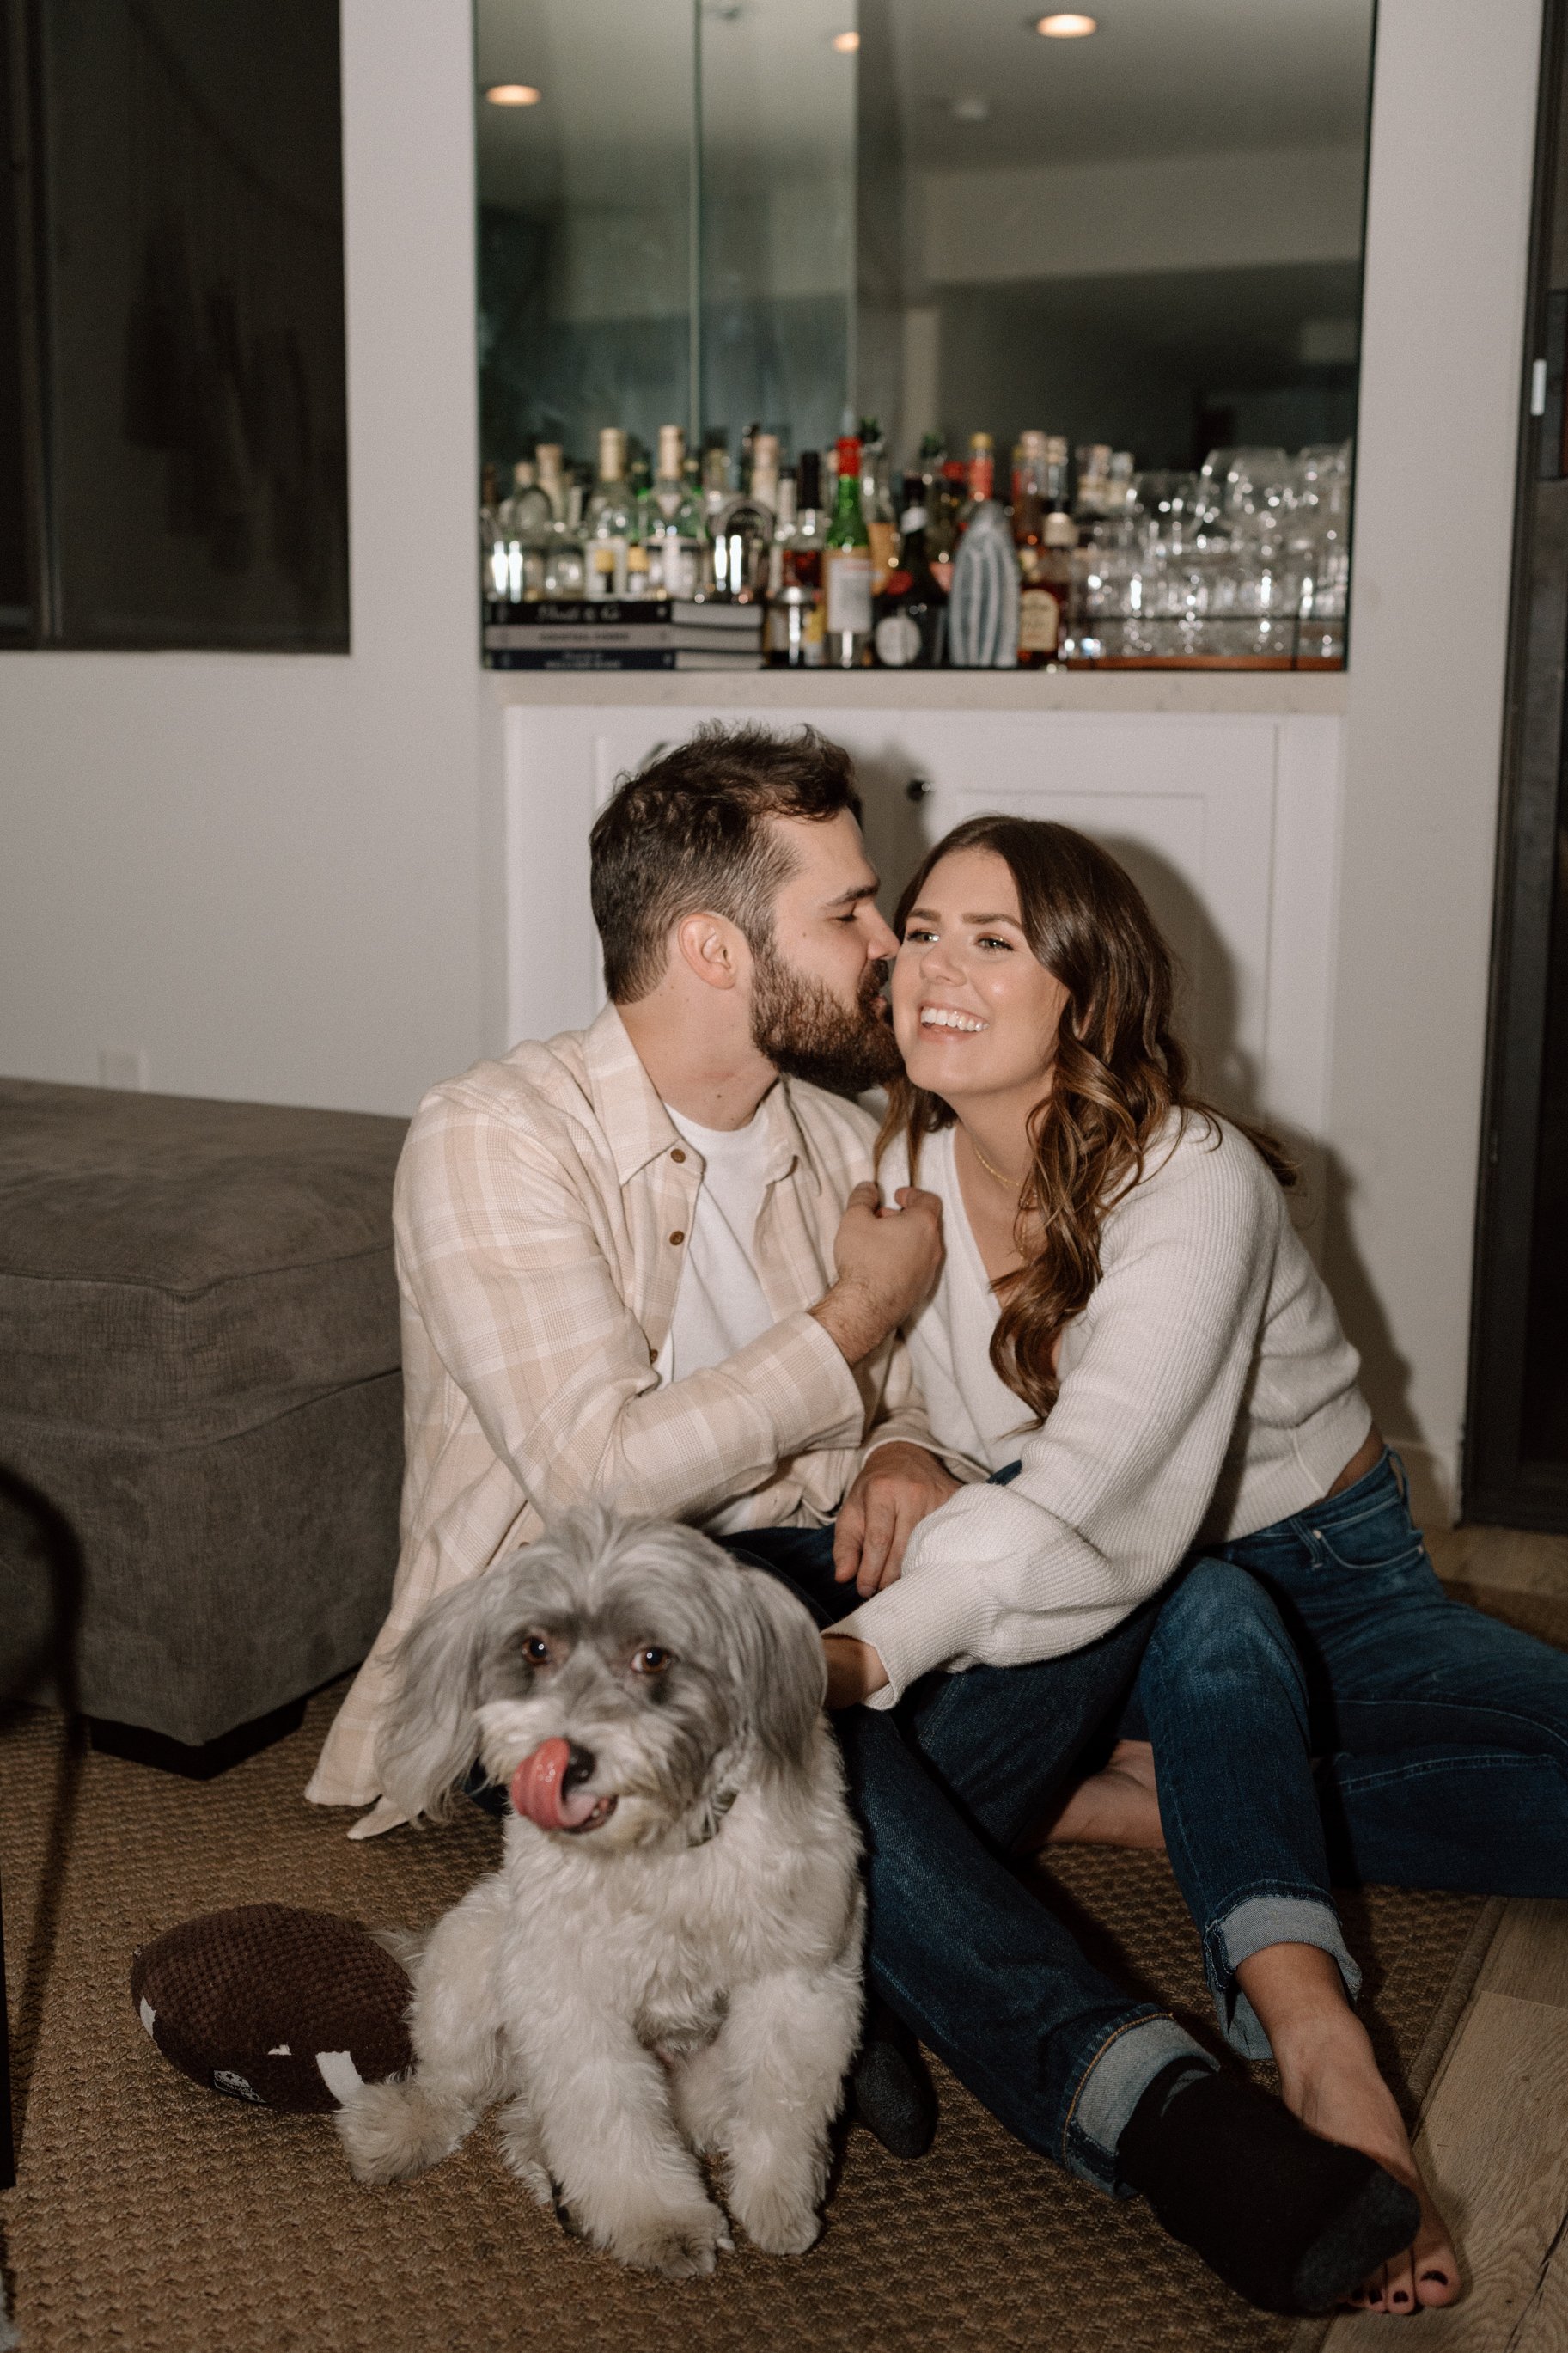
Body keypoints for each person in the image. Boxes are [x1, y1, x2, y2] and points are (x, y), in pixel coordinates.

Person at [308, 724, 1424, 2319]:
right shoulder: (493, 1134)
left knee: (1196, 1603)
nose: (886, 948)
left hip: (832, 1615)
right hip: (600, 1685)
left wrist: (902, 1446)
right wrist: (844, 1326)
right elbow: (590, 1479)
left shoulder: (847, 1139)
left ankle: (929, 1973)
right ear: (715, 944)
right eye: (848, 911)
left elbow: (907, 1397)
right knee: (807, 1707)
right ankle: (1162, 2115)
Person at [829, 809, 1568, 2318]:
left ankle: (1133, 1805)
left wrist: (856, 1658)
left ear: (1085, 996)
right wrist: (895, 1441)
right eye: (920, 935)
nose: (937, 972)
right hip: (1133, 1601)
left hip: (1330, 1579)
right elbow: (951, 1400)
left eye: (994, 941)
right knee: (1201, 1607)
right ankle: (1321, 2044)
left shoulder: (1192, 1173)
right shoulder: (895, 1150)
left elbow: (1097, 1482)